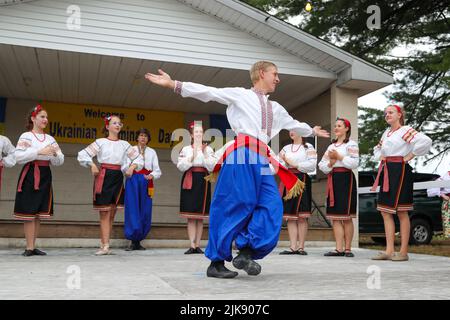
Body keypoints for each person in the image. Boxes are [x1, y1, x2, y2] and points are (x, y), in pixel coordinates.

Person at [145, 60, 329, 278]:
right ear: (261, 73)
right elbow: (209, 92)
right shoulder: (241, 95)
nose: (278, 79)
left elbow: (293, 123)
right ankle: (216, 262)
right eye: (275, 74)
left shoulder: (276, 108)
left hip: (262, 158)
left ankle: (246, 250)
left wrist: (312, 131)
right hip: (241, 154)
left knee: (271, 206)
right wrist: (173, 84)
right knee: (233, 205)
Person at [371, 105, 432, 262]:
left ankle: (403, 251)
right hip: (387, 170)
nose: (387, 115)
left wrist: (411, 154)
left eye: (390, 112)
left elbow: (425, 141)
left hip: (401, 170)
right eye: (385, 113)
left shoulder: (405, 130)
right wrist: (381, 158)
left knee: (401, 211)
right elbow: (377, 150)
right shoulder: (386, 133)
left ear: (399, 115)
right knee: (385, 211)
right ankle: (389, 250)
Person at [77, 115, 143, 256]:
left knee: (112, 212)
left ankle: (105, 244)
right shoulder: (100, 142)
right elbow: (83, 154)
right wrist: (92, 164)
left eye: (119, 123)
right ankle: (105, 246)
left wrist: (133, 167)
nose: (117, 125)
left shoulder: (125, 144)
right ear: (107, 127)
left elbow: (138, 157)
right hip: (104, 176)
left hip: (118, 177)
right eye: (114, 123)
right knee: (104, 212)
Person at [14, 104, 64, 257]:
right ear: (33, 118)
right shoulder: (26, 136)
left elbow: (60, 160)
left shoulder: (50, 138)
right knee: (29, 211)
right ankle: (28, 247)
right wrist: (39, 152)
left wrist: (55, 154)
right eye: (42, 116)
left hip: (45, 174)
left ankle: (33, 246)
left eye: (46, 117)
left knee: (38, 212)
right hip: (30, 173)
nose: (46, 120)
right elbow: (18, 157)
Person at [318, 118, 359, 257]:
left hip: (346, 180)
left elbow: (354, 163)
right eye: (335, 126)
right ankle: (339, 248)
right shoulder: (331, 146)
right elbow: (322, 165)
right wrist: (330, 163)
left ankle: (348, 249)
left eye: (339, 126)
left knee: (346, 217)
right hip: (333, 179)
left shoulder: (351, 144)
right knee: (335, 217)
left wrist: (339, 157)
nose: (336, 128)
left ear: (346, 128)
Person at [177, 121, 214, 254]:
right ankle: (192, 244)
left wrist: (203, 153)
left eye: (200, 132)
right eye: (196, 132)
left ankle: (198, 245)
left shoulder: (208, 149)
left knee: (200, 215)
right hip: (190, 178)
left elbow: (212, 167)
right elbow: (180, 166)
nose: (198, 134)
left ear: (203, 134)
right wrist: (192, 156)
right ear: (192, 135)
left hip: (203, 180)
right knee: (191, 215)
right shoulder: (186, 149)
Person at [278, 130, 317, 255]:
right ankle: (293, 246)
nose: (291, 132)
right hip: (289, 179)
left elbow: (311, 165)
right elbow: (279, 163)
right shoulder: (286, 148)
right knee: (290, 216)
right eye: (290, 130)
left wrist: (293, 163)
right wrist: (285, 162)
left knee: (301, 215)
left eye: (294, 130)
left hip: (302, 180)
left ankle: (301, 246)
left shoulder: (308, 147)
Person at [124, 128, 162, 251]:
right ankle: (132, 239)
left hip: (146, 180)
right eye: (141, 135)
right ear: (137, 137)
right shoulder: (131, 150)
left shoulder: (152, 152)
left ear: (148, 139)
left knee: (145, 209)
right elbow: (124, 164)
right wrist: (127, 171)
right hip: (133, 179)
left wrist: (152, 175)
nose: (143, 138)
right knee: (132, 207)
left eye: (145, 136)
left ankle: (139, 240)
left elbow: (157, 170)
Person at [427, 168, 450, 239]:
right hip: (448, 203)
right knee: (448, 223)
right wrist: (442, 195)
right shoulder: (445, 176)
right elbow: (431, 188)